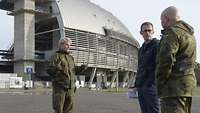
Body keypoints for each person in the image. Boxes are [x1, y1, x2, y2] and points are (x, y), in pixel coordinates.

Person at [156, 6, 197, 113]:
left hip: (172, 88)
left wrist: (160, 83)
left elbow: (165, 61)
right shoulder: (190, 35)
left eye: (161, 20)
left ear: (166, 18)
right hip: (187, 87)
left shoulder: (171, 33)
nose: (161, 23)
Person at [133, 22, 160, 113]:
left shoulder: (157, 45)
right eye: (145, 31)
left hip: (151, 86)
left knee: (154, 111)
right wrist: (136, 85)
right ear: (141, 33)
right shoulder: (141, 49)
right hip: (141, 87)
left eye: (149, 30)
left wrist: (151, 83)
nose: (147, 32)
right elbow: (140, 68)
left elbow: (159, 66)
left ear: (153, 32)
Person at [46, 37, 76, 113]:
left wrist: (81, 69)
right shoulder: (55, 56)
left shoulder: (70, 58)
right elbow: (49, 70)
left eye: (69, 45)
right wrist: (56, 68)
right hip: (60, 87)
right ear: (61, 45)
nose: (69, 47)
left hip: (70, 88)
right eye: (67, 45)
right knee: (58, 108)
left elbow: (73, 72)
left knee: (69, 109)